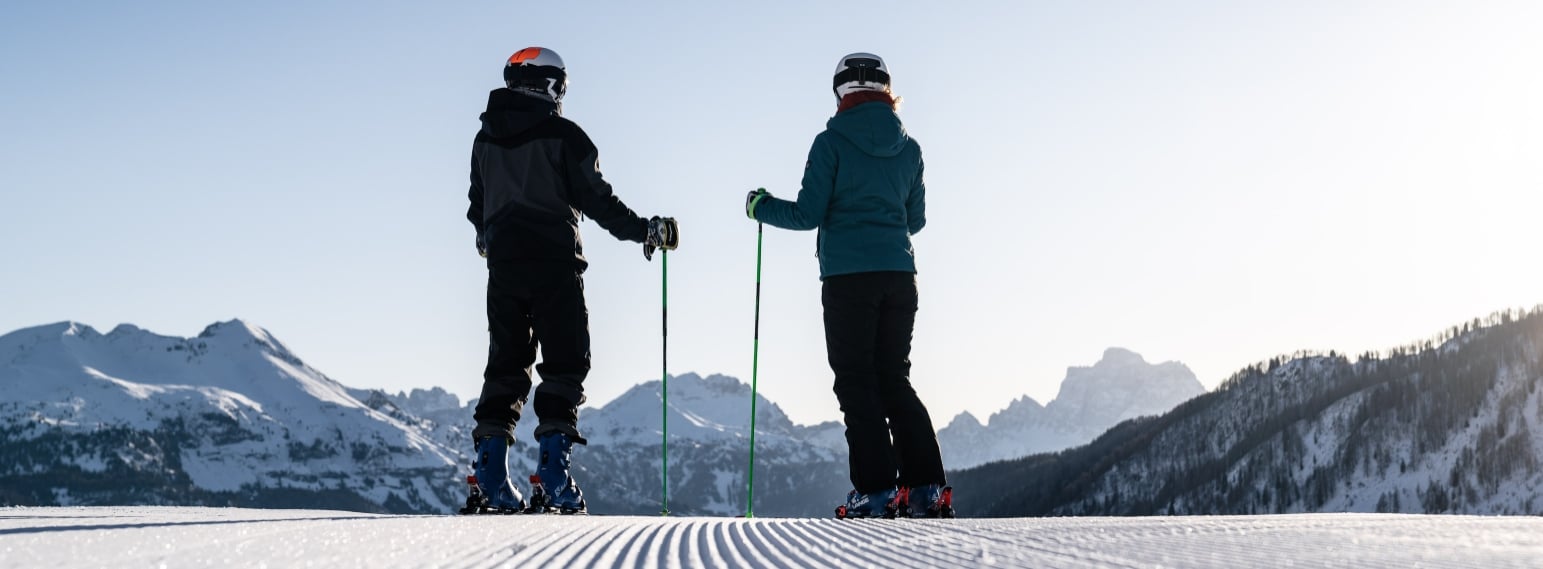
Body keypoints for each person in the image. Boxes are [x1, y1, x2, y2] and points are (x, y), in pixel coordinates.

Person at [465, 46, 678, 514]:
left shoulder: (485, 138)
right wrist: (646, 230)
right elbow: (599, 202)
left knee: (506, 363)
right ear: (550, 85)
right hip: (555, 264)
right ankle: (554, 475)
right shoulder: (565, 135)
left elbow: (476, 202)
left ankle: (489, 477)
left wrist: (487, 236)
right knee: (564, 363)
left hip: (503, 267)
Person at [745, 52, 951, 518]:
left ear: (840, 91)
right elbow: (914, 220)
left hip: (847, 280)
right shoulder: (910, 148)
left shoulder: (830, 143)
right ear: (886, 89)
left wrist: (759, 206)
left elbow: (806, 214)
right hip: (900, 277)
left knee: (857, 384)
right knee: (895, 379)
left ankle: (877, 493)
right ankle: (927, 489)